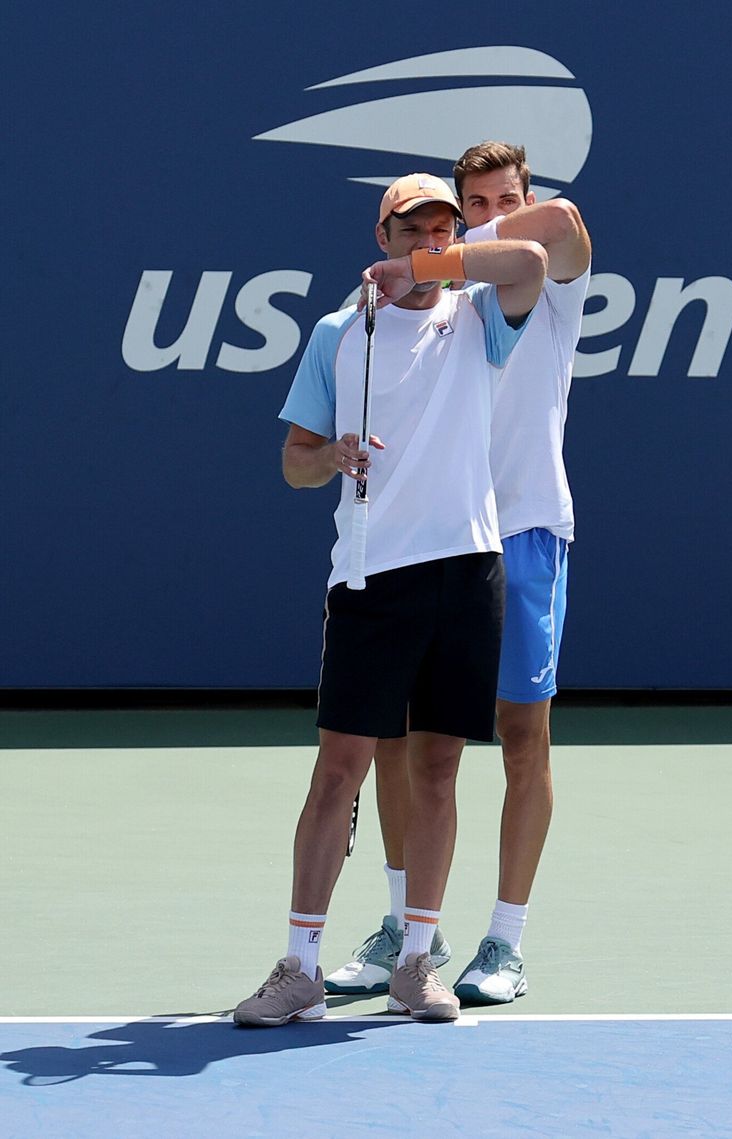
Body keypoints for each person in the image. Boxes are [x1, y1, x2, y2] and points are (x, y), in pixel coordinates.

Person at [232, 173, 547, 1026]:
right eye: (414, 228)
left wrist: (436, 266)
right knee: (341, 770)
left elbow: (528, 254)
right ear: (383, 236)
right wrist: (331, 455)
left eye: (444, 225)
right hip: (371, 577)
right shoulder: (339, 334)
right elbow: (293, 462)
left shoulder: (480, 315)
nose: (432, 238)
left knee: (439, 770)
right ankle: (299, 964)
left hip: (469, 571)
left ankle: (417, 959)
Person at [325, 142, 591, 1004]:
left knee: (522, 736)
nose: (489, 216)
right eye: (472, 204)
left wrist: (428, 256)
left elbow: (557, 230)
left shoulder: (542, 286)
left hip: (524, 536)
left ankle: (505, 941)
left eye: (501, 199)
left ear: (525, 195)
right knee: (404, 742)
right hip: (441, 545)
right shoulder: (454, 308)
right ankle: (407, 926)